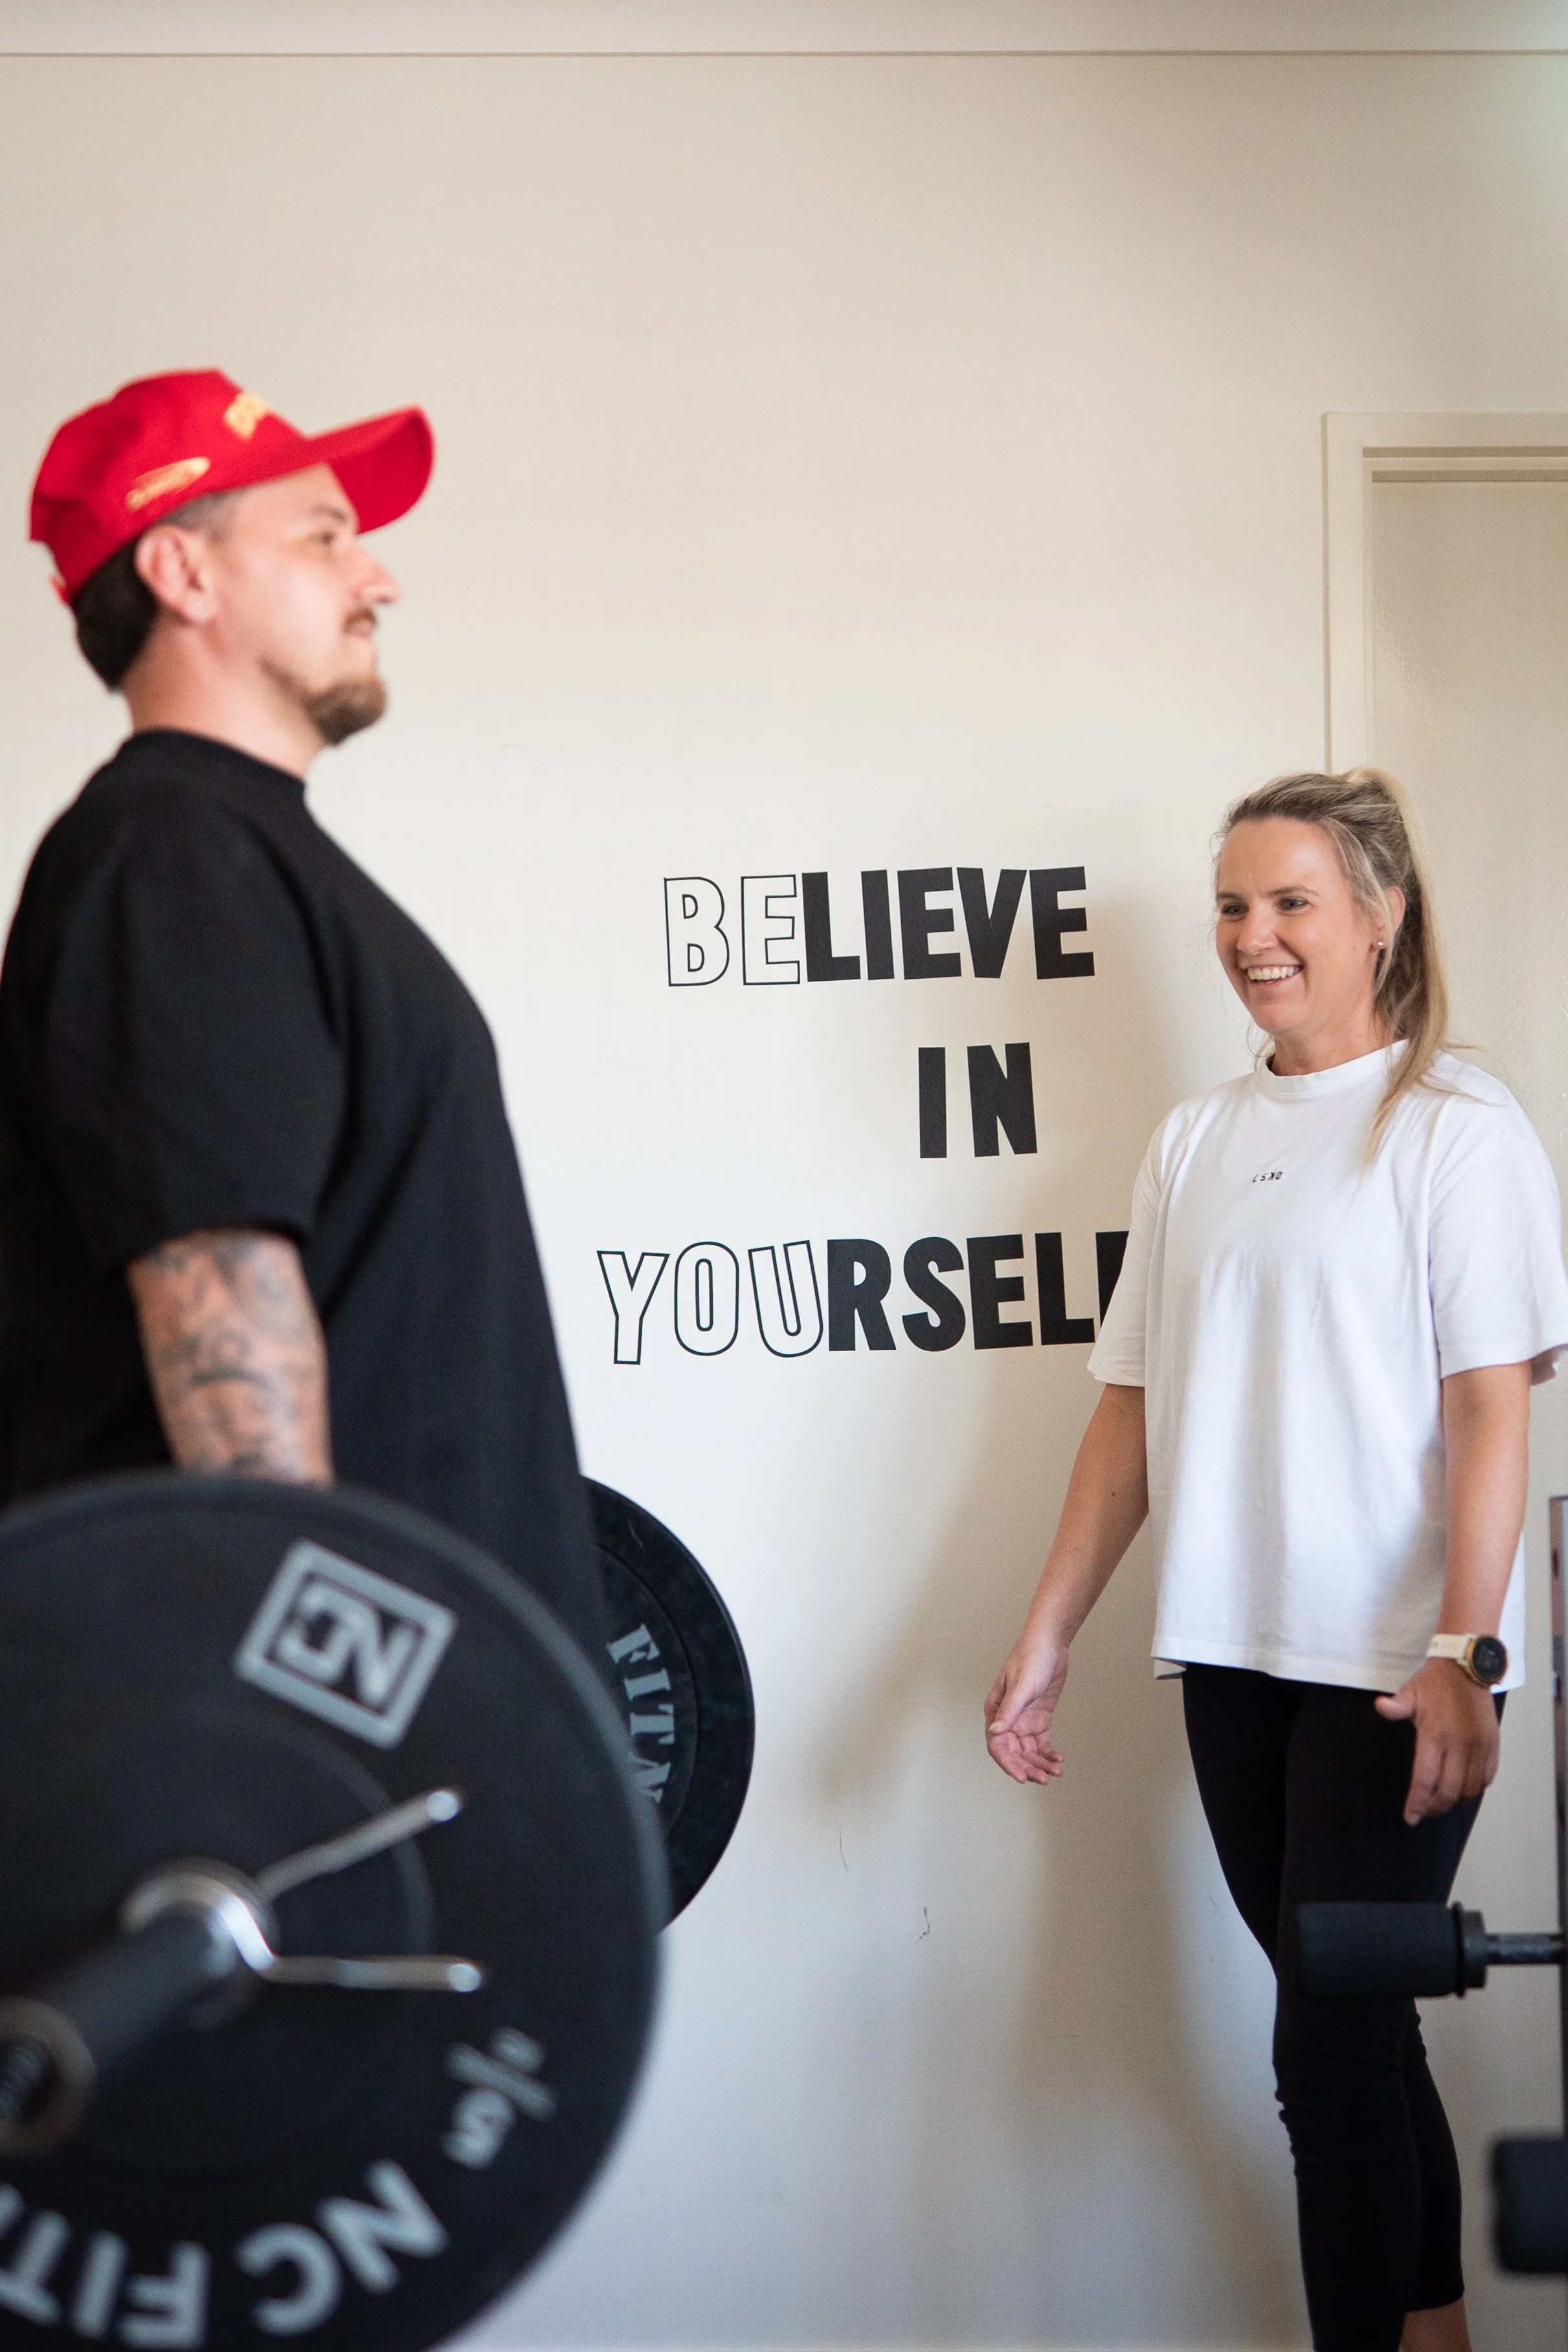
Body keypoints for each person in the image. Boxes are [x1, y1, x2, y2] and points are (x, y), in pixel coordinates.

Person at [984, 768, 1568, 2352]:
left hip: (1392, 1669)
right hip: (1233, 1659)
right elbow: (1131, 1411)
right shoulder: (1191, 1143)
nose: (1252, 935)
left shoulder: (1457, 1129)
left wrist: (1466, 1653)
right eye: (1233, 905)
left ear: (1379, 915)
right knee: (1359, 2036)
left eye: (1290, 900)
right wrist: (1044, 1633)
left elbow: (1489, 1414)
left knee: (1320, 2054)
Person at [1, 368, 604, 1656]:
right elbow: (214, 1296)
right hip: (336, 1745)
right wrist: (318, 1725)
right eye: (323, 536)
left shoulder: (236, 855)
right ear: (184, 572)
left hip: (413, 1703)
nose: (376, 578)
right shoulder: (167, 859)